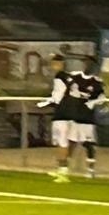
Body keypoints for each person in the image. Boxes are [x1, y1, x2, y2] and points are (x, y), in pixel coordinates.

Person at [36, 53, 77, 183]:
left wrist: (45, 103)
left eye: (54, 63)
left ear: (59, 64)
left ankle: (63, 171)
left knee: (62, 142)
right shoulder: (71, 78)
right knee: (69, 141)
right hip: (73, 113)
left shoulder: (59, 77)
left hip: (62, 114)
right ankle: (63, 168)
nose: (52, 65)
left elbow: (57, 97)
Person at [68, 56, 106, 179]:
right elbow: (68, 90)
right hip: (75, 116)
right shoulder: (75, 77)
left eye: (90, 63)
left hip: (87, 118)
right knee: (71, 142)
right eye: (85, 63)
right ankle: (65, 167)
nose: (87, 65)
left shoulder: (96, 82)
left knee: (89, 144)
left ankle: (90, 170)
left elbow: (102, 98)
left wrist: (92, 103)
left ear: (94, 66)